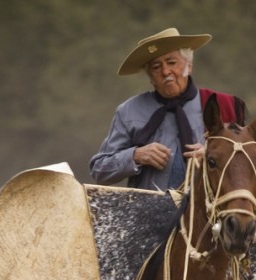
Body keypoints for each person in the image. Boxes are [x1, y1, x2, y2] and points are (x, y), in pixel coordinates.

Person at [89, 28, 246, 191]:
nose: (165, 71)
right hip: (146, 213)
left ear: (189, 66)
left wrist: (212, 154)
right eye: (156, 67)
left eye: (172, 62)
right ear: (150, 77)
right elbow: (99, 171)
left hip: (208, 212)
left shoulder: (221, 105)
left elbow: (247, 162)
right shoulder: (129, 111)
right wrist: (135, 156)